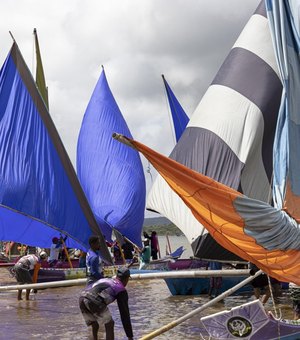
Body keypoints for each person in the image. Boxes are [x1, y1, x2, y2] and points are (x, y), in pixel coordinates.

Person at [79, 266, 133, 340]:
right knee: (109, 324)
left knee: (94, 324)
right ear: (127, 279)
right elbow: (124, 314)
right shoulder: (120, 289)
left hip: (82, 297)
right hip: (93, 300)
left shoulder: (107, 279)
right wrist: (130, 337)